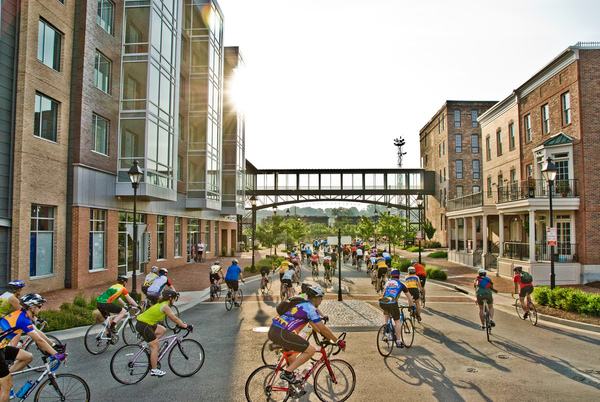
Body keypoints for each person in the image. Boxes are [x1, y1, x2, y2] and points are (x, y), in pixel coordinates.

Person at [269, 285, 345, 384]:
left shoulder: (303, 304)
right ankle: (287, 373)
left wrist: (327, 338)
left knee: (293, 360)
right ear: (316, 298)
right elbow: (322, 328)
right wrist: (338, 341)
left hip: (275, 330)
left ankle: (292, 387)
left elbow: (318, 328)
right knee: (311, 350)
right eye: (321, 299)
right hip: (282, 333)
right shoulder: (310, 308)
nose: (321, 301)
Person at [0, 294, 66, 400]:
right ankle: (3, 380)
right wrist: (57, 355)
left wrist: (54, 345)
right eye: (39, 306)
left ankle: (4, 376)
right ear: (32, 307)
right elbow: (38, 340)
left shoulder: (22, 315)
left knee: (28, 357)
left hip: (1, 347)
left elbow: (38, 333)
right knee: (7, 386)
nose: (40, 309)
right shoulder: (22, 319)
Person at [135, 290, 192, 377]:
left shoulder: (161, 304)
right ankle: (154, 370)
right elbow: (174, 318)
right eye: (174, 298)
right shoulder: (165, 306)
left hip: (145, 323)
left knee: (162, 330)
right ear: (170, 298)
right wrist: (185, 326)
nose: (174, 301)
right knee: (155, 346)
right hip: (144, 324)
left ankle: (149, 345)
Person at [379, 270, 415, 348]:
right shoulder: (401, 284)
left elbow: (384, 293)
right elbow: (409, 297)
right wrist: (412, 306)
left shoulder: (387, 283)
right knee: (397, 321)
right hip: (392, 303)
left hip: (382, 302)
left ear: (391, 276)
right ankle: (398, 341)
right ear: (398, 276)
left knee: (388, 309)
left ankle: (386, 325)